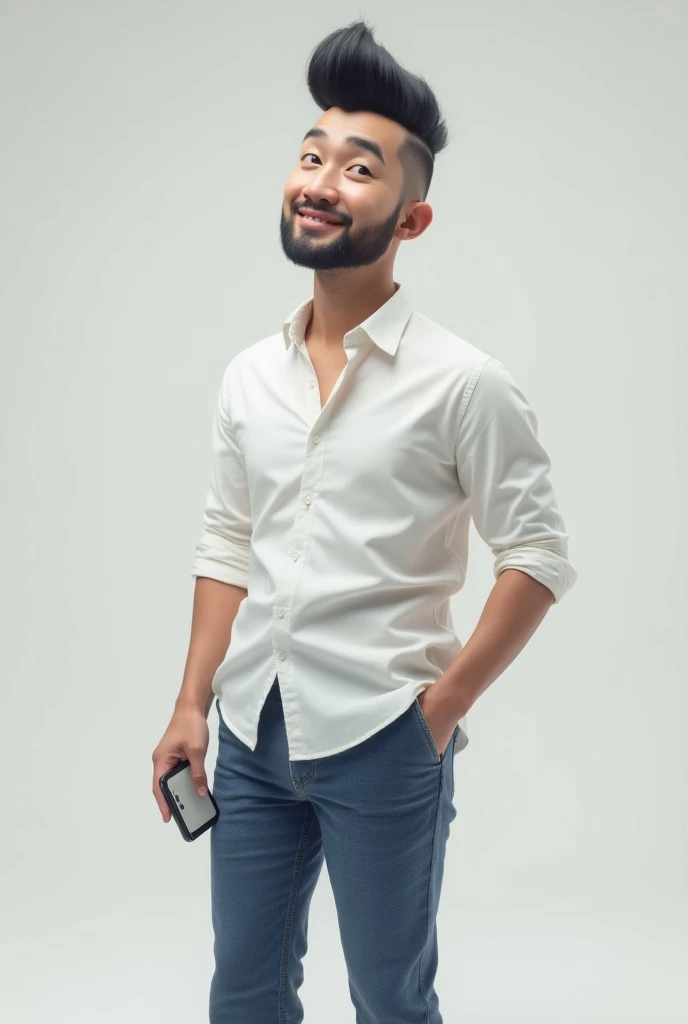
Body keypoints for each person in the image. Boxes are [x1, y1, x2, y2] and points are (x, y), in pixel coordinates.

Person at [152, 19, 578, 1023]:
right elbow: (226, 541)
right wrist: (188, 706)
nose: (319, 181)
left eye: (356, 167)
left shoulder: (464, 383)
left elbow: (538, 555)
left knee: (390, 995)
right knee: (244, 990)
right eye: (310, 156)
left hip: (385, 733)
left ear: (410, 219)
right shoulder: (248, 375)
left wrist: (438, 712)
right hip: (249, 729)